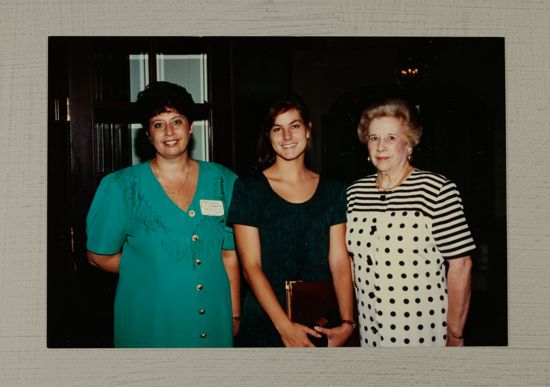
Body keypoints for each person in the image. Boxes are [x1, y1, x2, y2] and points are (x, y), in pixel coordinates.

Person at [86, 81, 240, 348]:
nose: (169, 131)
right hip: (150, 320)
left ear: (191, 127)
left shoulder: (224, 181)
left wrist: (235, 314)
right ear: (147, 133)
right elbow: (98, 257)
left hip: (214, 319)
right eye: (158, 124)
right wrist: (153, 268)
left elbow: (229, 254)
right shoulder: (120, 187)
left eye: (177, 121)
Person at [227, 94, 355, 347]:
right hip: (266, 320)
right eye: (278, 128)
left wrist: (347, 323)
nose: (287, 136)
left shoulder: (333, 189)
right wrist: (285, 327)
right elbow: (250, 266)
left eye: (294, 126)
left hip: (320, 320)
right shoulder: (249, 188)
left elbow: (340, 260)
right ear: (268, 135)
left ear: (308, 130)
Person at [346, 98, 475, 347]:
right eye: (374, 138)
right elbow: (352, 262)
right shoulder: (355, 193)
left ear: (409, 144)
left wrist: (455, 333)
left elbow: (461, 264)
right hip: (370, 330)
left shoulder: (436, 189)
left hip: (423, 329)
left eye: (391, 138)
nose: (380, 146)